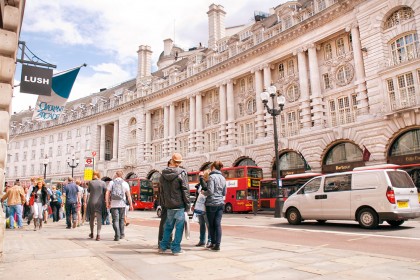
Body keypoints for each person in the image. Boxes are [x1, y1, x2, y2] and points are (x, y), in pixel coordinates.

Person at [158, 153, 190, 256]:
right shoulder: (182, 173)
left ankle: (163, 247)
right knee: (179, 227)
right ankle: (176, 249)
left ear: (171, 161)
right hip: (179, 204)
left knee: (168, 226)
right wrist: (188, 204)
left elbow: (161, 191)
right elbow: (185, 190)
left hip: (168, 205)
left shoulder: (163, 174)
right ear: (179, 162)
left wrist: (164, 203)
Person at [203, 161, 227, 251]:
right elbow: (224, 192)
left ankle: (213, 243)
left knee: (211, 225)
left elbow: (210, 191)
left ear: (213, 167)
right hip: (220, 203)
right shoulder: (223, 178)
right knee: (218, 224)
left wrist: (203, 192)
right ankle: (218, 245)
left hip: (211, 203)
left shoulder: (211, 177)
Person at [105, 171, 133, 241]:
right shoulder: (125, 183)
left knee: (115, 220)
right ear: (122, 175)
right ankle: (122, 234)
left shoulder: (112, 182)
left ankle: (117, 235)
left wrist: (107, 203)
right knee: (122, 219)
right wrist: (131, 204)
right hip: (122, 204)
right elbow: (129, 195)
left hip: (114, 204)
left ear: (116, 175)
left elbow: (107, 193)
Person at [87, 171, 107, 241]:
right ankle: (98, 235)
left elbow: (88, 190)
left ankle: (92, 233)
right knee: (99, 219)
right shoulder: (103, 183)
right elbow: (105, 192)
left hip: (92, 201)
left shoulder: (90, 182)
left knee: (91, 218)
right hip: (100, 202)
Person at [194, 169, 211, 247]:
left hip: (206, 206)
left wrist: (201, 178)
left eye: (203, 175)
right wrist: (194, 205)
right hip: (200, 206)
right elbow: (197, 196)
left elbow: (205, 189)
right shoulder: (199, 184)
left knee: (208, 224)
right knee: (201, 224)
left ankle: (210, 240)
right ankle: (202, 240)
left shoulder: (207, 183)